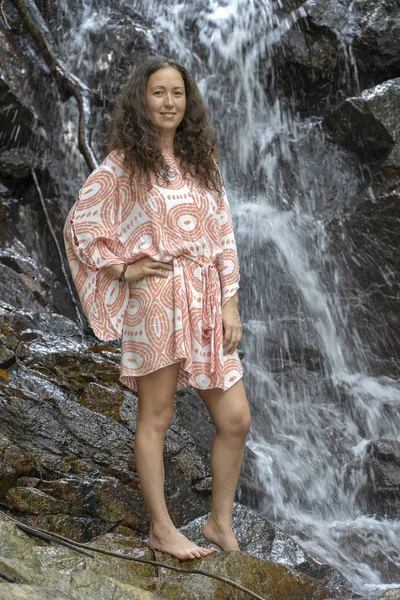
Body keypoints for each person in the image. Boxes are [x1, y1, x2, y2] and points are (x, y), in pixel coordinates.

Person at [63, 56, 251, 561]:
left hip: (206, 300)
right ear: (141, 101)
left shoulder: (201, 161)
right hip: (158, 299)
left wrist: (230, 302)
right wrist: (123, 268)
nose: (169, 102)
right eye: (158, 92)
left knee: (235, 418)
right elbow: (81, 225)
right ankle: (162, 529)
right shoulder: (124, 163)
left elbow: (224, 236)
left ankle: (218, 521)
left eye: (177, 93)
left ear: (188, 102)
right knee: (157, 415)